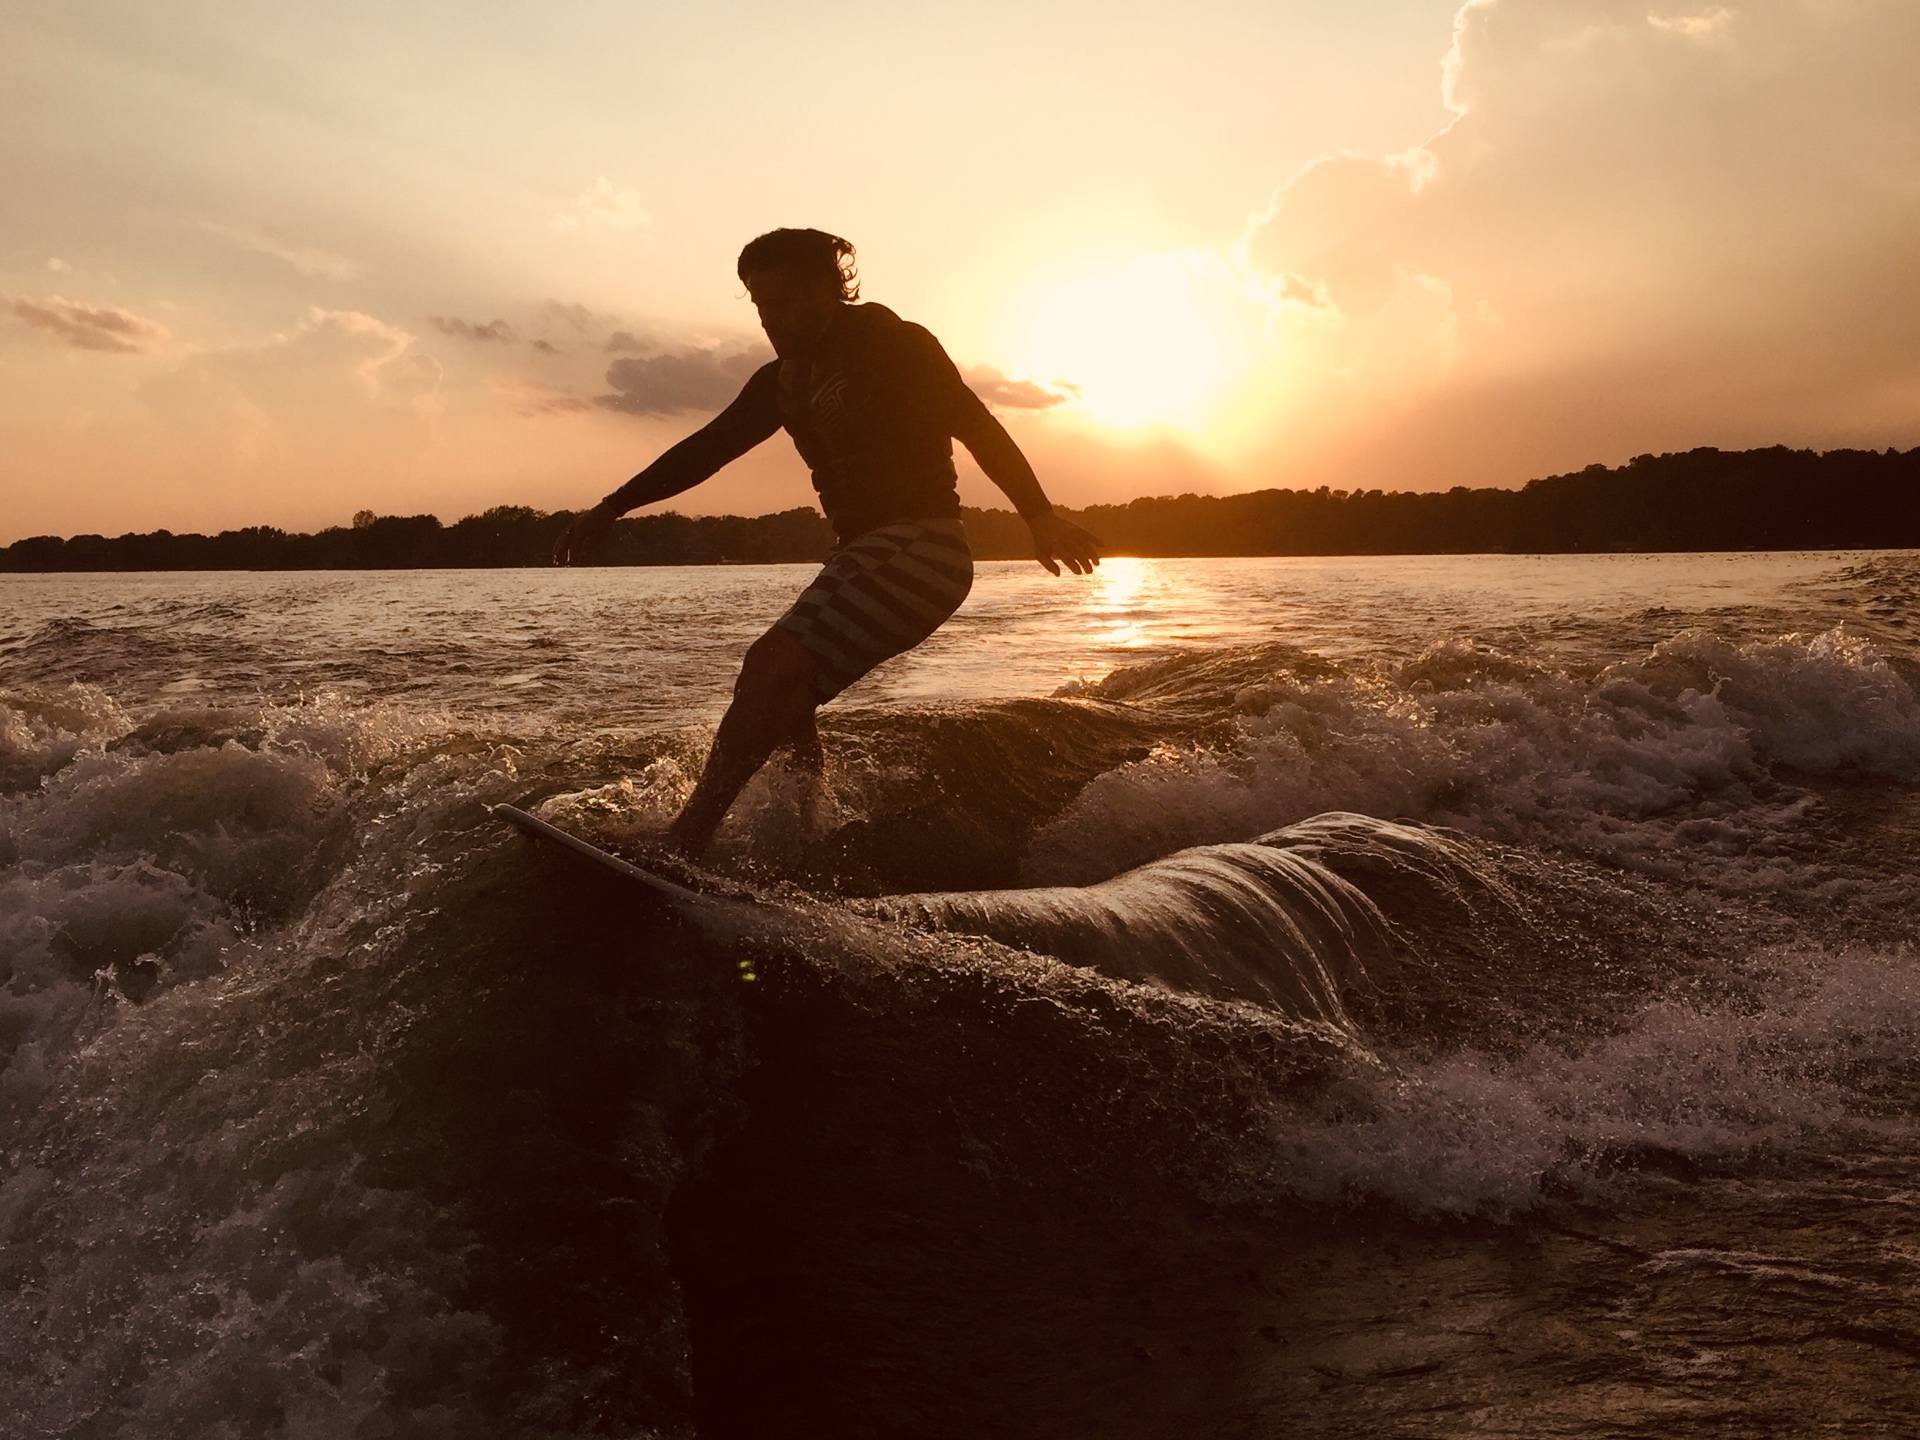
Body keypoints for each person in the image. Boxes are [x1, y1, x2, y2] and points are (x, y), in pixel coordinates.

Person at [552, 228, 1104, 859]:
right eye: (758, 306)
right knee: (787, 700)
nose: (769, 320)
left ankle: (686, 839)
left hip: (923, 547)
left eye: (781, 303)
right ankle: (799, 838)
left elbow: (976, 424)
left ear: (827, 289)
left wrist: (1038, 514)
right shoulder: (779, 382)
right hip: (864, 552)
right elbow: (705, 450)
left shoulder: (894, 344)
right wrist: (612, 507)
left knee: (769, 664)